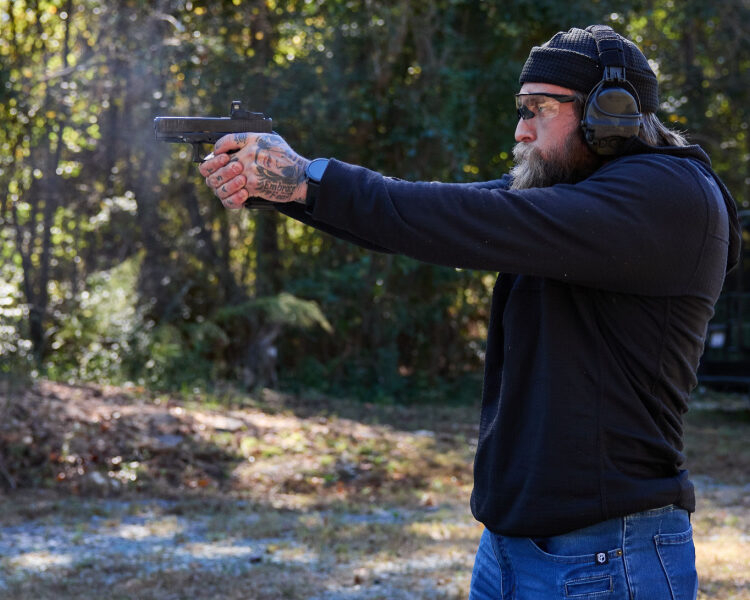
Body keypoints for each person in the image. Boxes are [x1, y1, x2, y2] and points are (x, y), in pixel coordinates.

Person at [200, 25, 740, 600]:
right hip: (515, 550)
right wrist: (289, 190)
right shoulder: (576, 195)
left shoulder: (667, 196)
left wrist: (307, 177)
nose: (520, 129)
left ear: (610, 113)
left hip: (606, 556)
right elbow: (419, 216)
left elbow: (463, 219)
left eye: (538, 109)